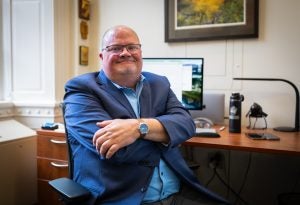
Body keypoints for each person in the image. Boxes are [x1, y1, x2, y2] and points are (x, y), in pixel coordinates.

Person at [64, 25, 230, 205]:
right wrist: (167, 134)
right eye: (116, 48)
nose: (125, 53)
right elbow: (118, 151)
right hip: (123, 197)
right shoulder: (81, 90)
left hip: (177, 190)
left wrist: (138, 128)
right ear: (102, 56)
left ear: (140, 52)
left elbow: (187, 124)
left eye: (132, 47)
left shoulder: (159, 83)